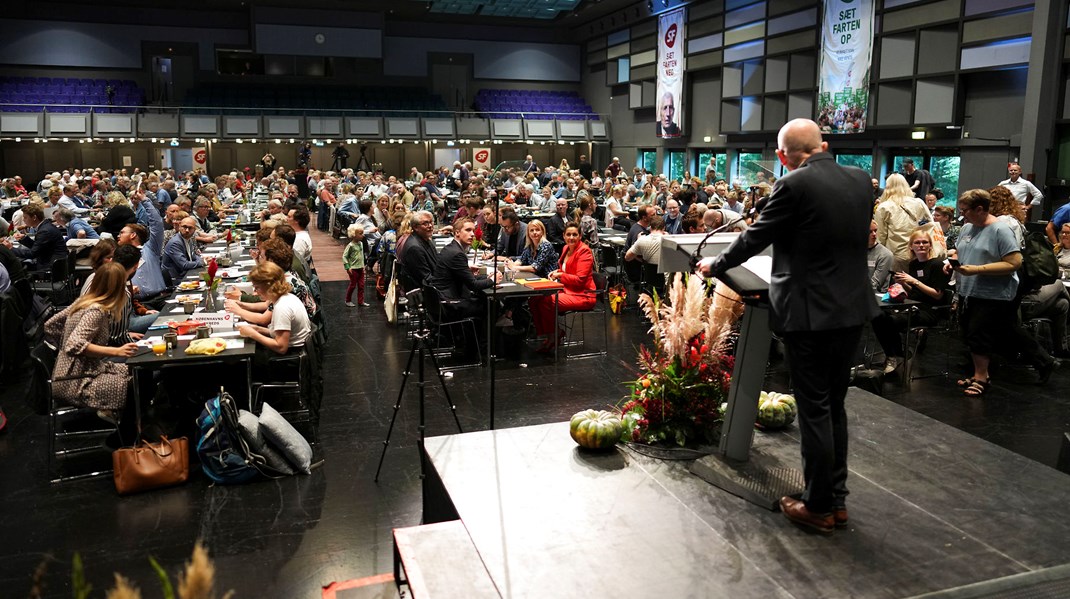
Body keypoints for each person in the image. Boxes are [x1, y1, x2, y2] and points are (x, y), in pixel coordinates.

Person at [698, 118, 877, 534]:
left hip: (809, 314)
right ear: (824, 144)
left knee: (813, 409)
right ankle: (837, 500)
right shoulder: (860, 179)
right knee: (834, 406)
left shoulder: (793, 185)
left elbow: (755, 237)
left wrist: (715, 264)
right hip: (850, 310)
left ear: (782, 157)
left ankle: (818, 507)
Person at [948, 189, 1058, 397]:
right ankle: (1043, 362)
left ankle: (981, 376)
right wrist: (952, 261)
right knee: (1001, 329)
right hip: (969, 290)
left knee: (978, 332)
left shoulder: (1001, 230)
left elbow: (1014, 262)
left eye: (965, 211)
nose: (963, 215)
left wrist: (977, 269)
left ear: (980, 209)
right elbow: (959, 250)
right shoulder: (967, 228)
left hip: (994, 292)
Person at [44, 262, 138, 423]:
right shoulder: (96, 311)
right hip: (76, 381)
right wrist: (116, 351)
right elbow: (74, 344)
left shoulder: (83, 301)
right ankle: (125, 433)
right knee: (135, 381)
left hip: (67, 371)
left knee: (134, 370)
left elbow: (51, 324)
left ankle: (124, 420)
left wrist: (62, 350)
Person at [872, 229, 951, 373]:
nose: (921, 245)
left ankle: (895, 356)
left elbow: (937, 295)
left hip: (930, 311)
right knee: (876, 316)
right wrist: (903, 283)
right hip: (912, 306)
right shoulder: (914, 264)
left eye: (925, 242)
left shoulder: (937, 265)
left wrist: (914, 281)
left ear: (930, 245)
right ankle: (894, 354)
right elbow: (914, 293)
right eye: (917, 242)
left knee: (890, 322)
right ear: (911, 246)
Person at [531, 222, 597, 353]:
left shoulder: (584, 251)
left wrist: (560, 275)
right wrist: (555, 272)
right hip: (567, 290)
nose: (571, 237)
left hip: (583, 295)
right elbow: (564, 270)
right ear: (563, 235)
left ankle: (553, 335)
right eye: (568, 234)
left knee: (547, 301)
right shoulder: (566, 248)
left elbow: (579, 280)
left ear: (580, 236)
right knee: (534, 298)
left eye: (574, 234)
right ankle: (548, 333)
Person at [239, 261, 312, 376]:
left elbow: (281, 347)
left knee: (240, 363)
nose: (255, 292)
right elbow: (282, 332)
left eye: (257, 287)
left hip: (288, 361)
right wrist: (258, 329)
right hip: (295, 353)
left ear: (269, 285)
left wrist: (253, 334)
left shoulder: (282, 307)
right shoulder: (287, 297)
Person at [875, 173, 933, 272]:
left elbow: (880, 235)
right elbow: (931, 223)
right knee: (917, 283)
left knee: (897, 284)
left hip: (896, 254)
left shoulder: (884, 207)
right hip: (918, 252)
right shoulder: (919, 202)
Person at [4, 202, 67, 271]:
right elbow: (38, 247)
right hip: (51, 262)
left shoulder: (45, 231)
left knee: (16, 268)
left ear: (34, 217)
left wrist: (11, 248)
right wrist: (24, 239)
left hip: (50, 268)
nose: (23, 220)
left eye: (25, 217)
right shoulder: (45, 226)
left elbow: (32, 254)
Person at [395, 211, 438, 292]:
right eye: (425, 223)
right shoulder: (414, 248)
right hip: (425, 293)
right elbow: (426, 278)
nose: (430, 226)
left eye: (431, 222)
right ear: (415, 227)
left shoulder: (425, 239)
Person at [162, 217, 203, 281]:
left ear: (195, 229)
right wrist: (202, 262)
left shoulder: (188, 238)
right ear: (180, 227)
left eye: (190, 228)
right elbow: (184, 265)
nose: (187, 230)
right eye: (184, 227)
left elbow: (193, 255)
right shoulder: (175, 243)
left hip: (185, 274)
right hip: (176, 279)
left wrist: (201, 259)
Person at [343, 224, 369, 307]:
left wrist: (363, 265)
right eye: (360, 233)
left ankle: (361, 301)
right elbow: (344, 256)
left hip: (360, 268)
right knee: (353, 285)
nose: (363, 235)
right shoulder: (350, 245)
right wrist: (347, 267)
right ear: (354, 235)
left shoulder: (361, 244)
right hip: (353, 269)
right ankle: (348, 300)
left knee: (361, 285)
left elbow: (361, 255)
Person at [866, 220, 895, 293]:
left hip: (877, 295)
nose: (874, 234)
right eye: (870, 232)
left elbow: (875, 284)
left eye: (875, 230)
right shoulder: (856, 251)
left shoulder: (886, 254)